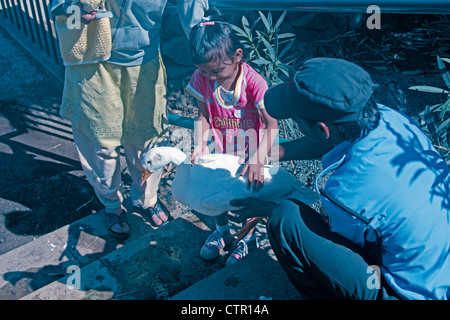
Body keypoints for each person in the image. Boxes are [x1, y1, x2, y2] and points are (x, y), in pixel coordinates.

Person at [229, 57, 450, 299]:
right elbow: (335, 141)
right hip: (440, 273)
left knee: (286, 219)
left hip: (407, 294)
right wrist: (271, 153)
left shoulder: (347, 190)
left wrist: (268, 209)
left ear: (322, 129)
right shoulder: (393, 121)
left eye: (296, 119)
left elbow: (350, 250)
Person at [50, 0, 209, 239]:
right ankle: (111, 204)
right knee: (100, 144)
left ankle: (147, 198)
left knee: (148, 140)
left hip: (143, 61)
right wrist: (74, 10)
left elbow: (194, 9)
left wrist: (208, 47)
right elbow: (60, 6)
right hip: (90, 60)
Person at [185, 9, 279, 265]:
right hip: (222, 153)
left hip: (251, 155)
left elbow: (272, 123)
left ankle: (248, 238)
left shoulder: (254, 83)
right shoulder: (202, 78)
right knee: (217, 195)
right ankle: (222, 233)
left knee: (248, 199)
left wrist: (258, 159)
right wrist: (200, 145)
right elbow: (203, 116)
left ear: (238, 56)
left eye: (216, 72)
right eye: (205, 73)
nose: (210, 78)